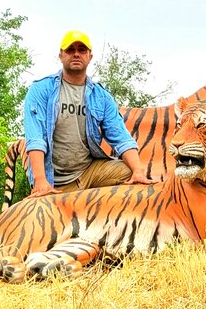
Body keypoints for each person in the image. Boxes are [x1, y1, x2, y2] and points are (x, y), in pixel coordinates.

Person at [23, 30, 154, 198]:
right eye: (70, 50)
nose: (76, 54)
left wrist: (138, 171)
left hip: (89, 172)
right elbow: (35, 140)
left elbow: (121, 137)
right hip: (55, 181)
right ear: (61, 55)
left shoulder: (101, 96)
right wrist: (40, 181)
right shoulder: (40, 90)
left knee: (129, 171)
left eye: (82, 50)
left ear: (90, 56)